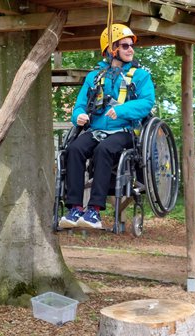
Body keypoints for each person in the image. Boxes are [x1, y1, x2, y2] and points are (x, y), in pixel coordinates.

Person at [59, 24, 155, 230]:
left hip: (125, 131)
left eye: (131, 46)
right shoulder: (94, 77)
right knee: (74, 150)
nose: (131, 49)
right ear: (112, 50)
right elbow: (79, 105)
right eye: (125, 45)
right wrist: (79, 116)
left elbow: (147, 102)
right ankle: (75, 208)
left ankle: (94, 211)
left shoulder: (140, 76)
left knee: (104, 150)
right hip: (96, 130)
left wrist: (121, 111)